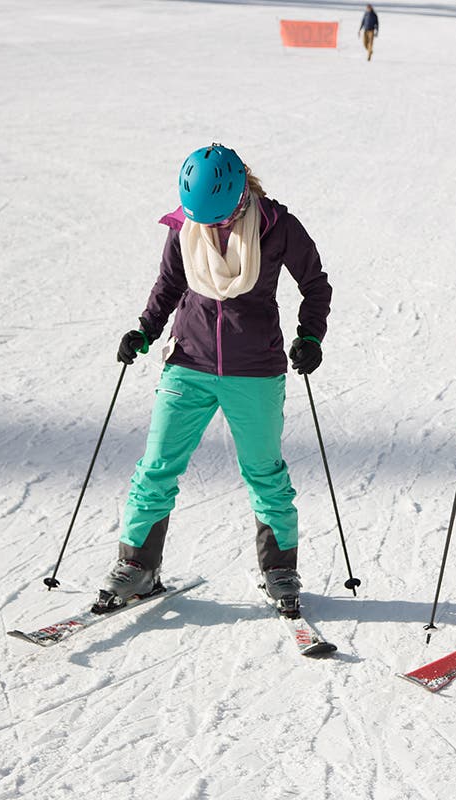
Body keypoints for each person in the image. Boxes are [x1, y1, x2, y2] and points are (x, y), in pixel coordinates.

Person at [95, 143, 332, 619]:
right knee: (156, 466)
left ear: (241, 193)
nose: (213, 228)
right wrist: (144, 330)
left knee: (265, 473)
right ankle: (138, 565)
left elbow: (315, 283)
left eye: (220, 218)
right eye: (203, 219)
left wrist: (310, 335)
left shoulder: (278, 226)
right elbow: (169, 283)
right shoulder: (187, 225)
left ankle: (278, 569)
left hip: (255, 368)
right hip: (189, 361)